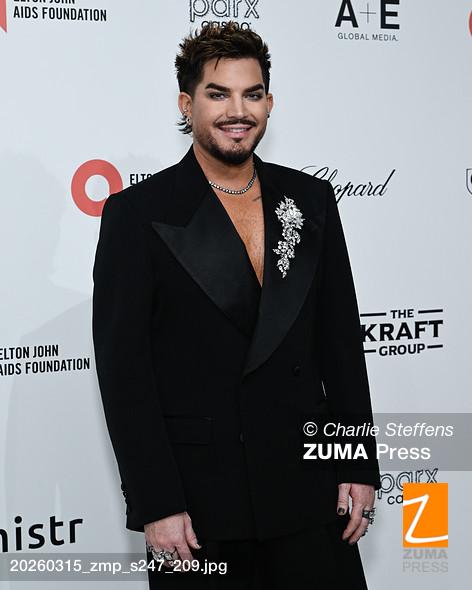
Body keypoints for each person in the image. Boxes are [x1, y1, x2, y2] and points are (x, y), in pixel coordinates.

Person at [92, 21, 381, 589]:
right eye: (218, 94)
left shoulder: (310, 198)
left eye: (252, 94)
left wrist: (356, 460)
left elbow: (341, 343)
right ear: (187, 104)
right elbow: (126, 376)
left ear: (269, 103)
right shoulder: (137, 214)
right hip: (200, 505)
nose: (237, 111)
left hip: (307, 489)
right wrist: (157, 502)